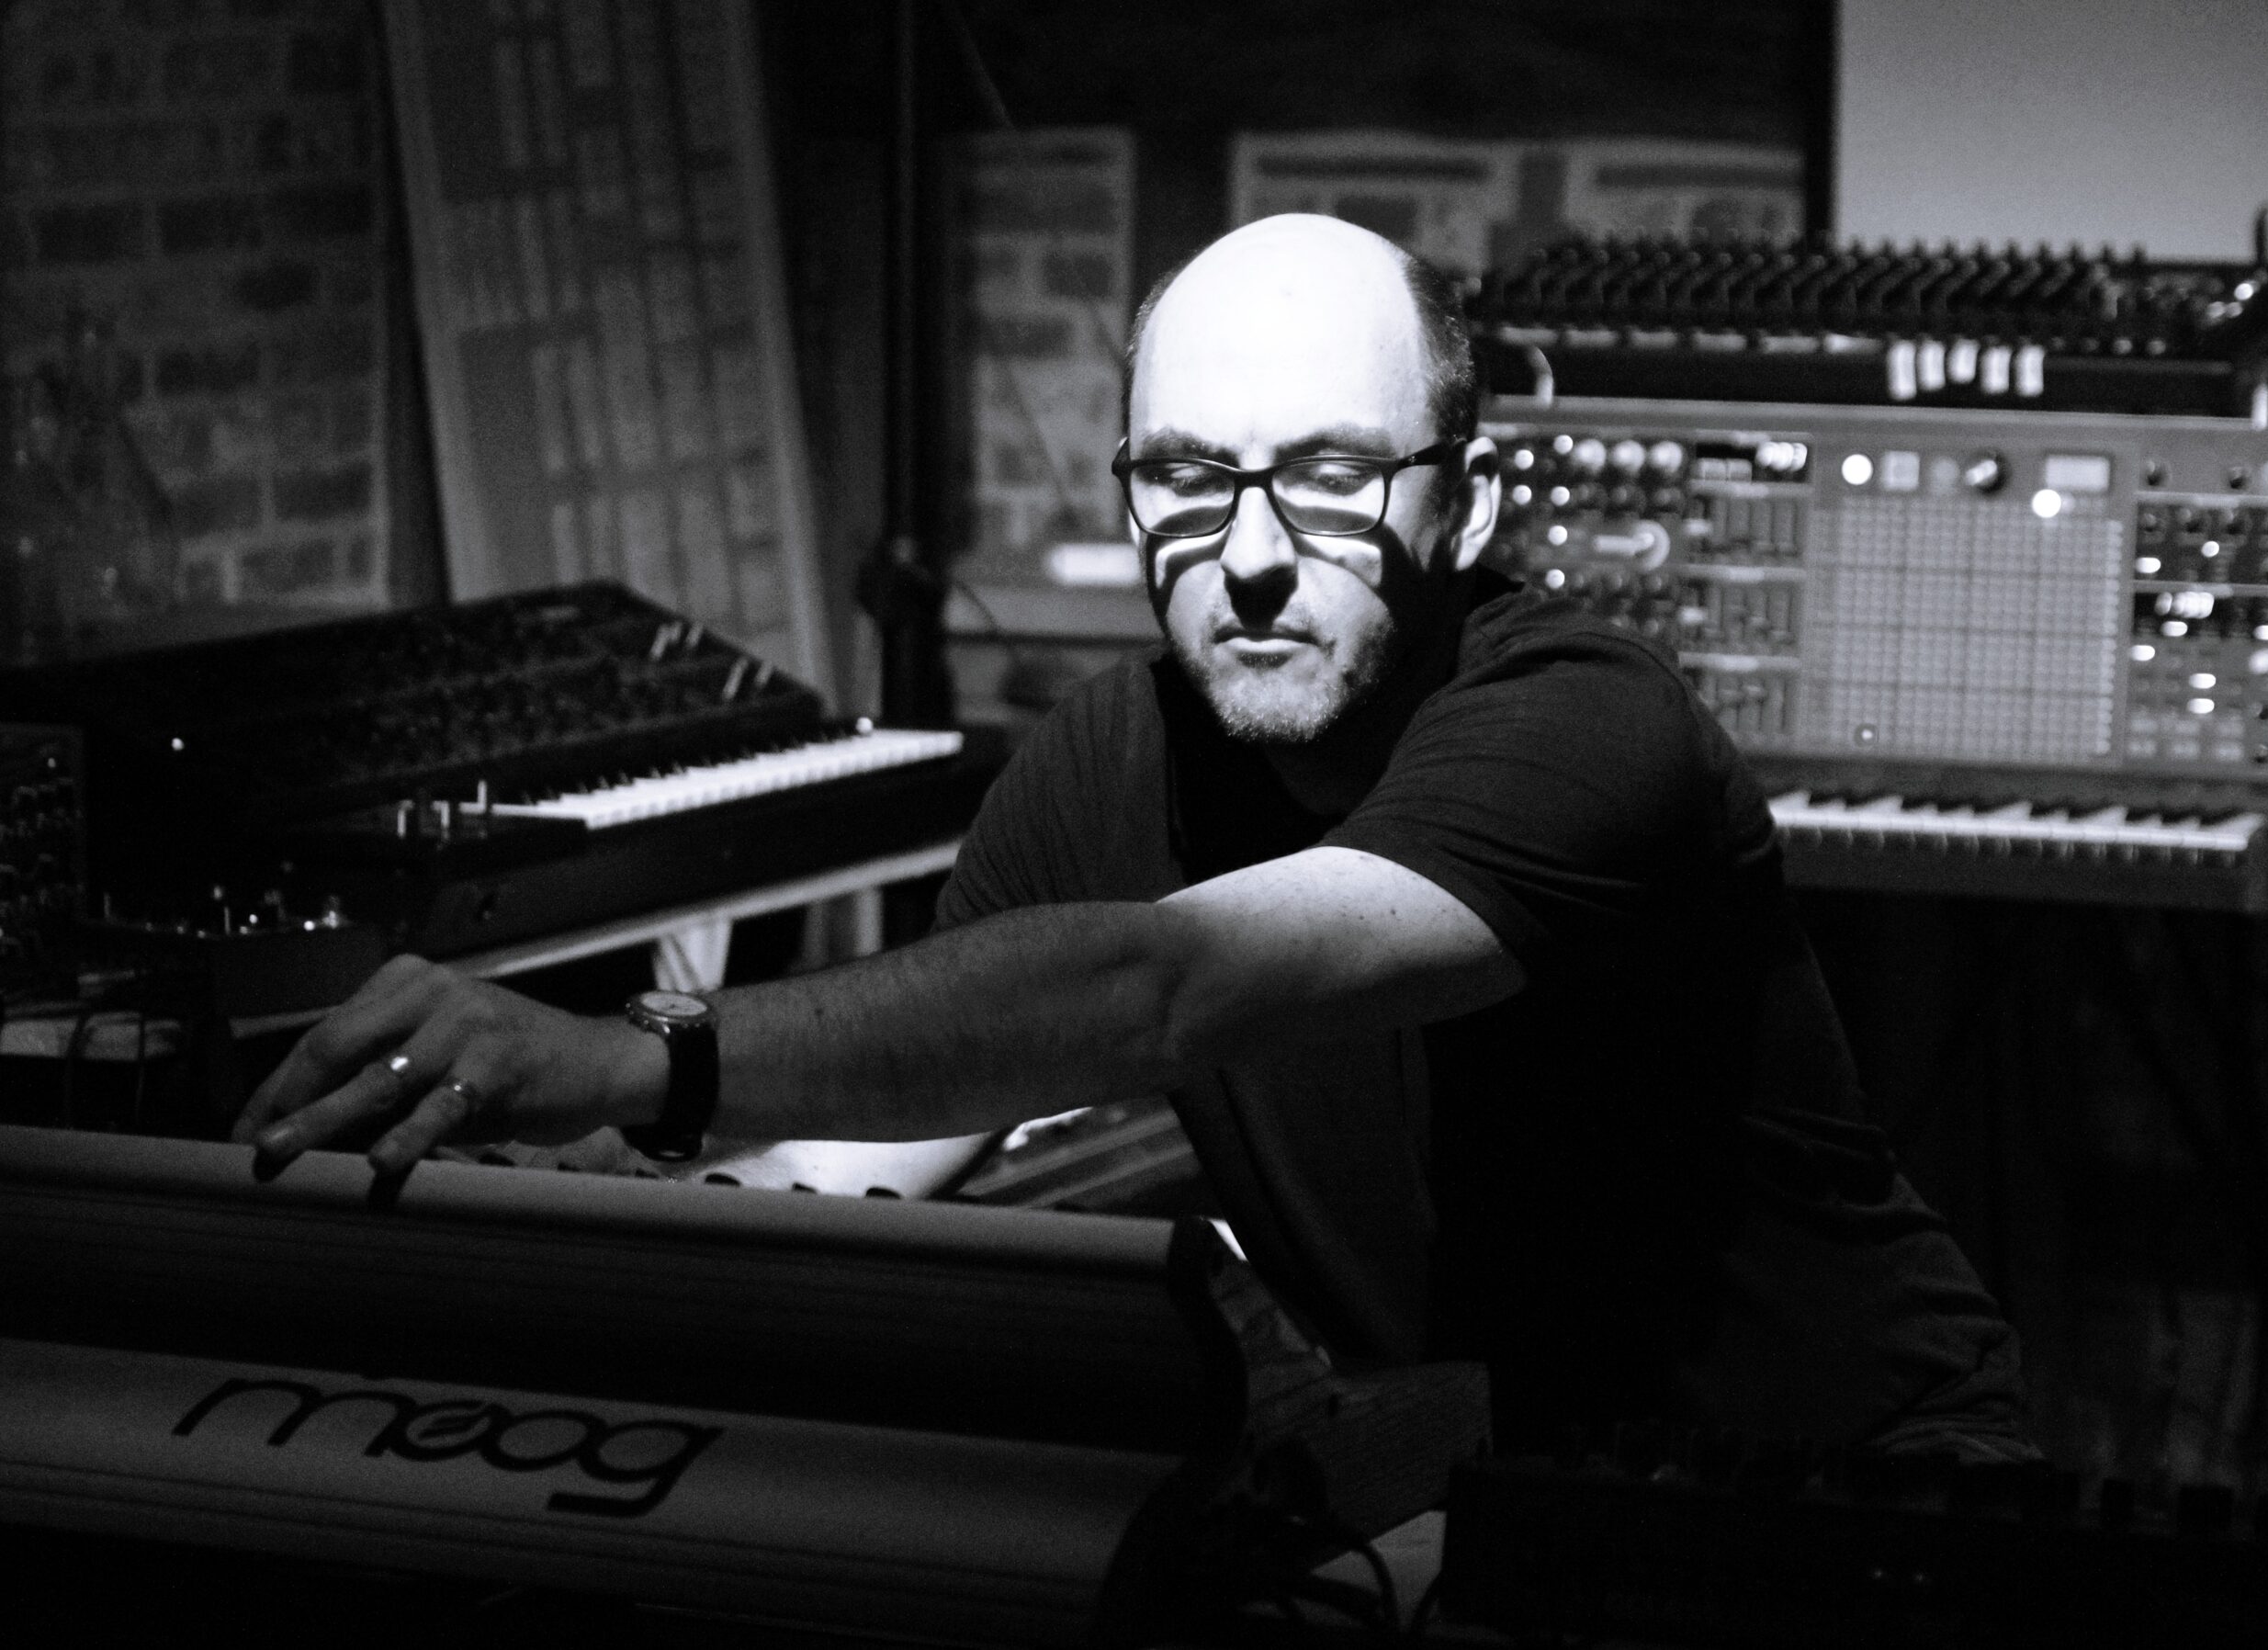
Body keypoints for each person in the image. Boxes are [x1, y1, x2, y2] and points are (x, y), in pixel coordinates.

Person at [240, 213, 2030, 1458]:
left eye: (1326, 475)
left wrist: (631, 1055)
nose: (1247, 553)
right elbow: (860, 1164)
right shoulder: (1110, 759)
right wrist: (566, 1217)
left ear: (1468, 502)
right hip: (1511, 1502)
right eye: (1185, 476)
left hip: (1847, 1497)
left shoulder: (1586, 721)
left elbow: (1164, 985)